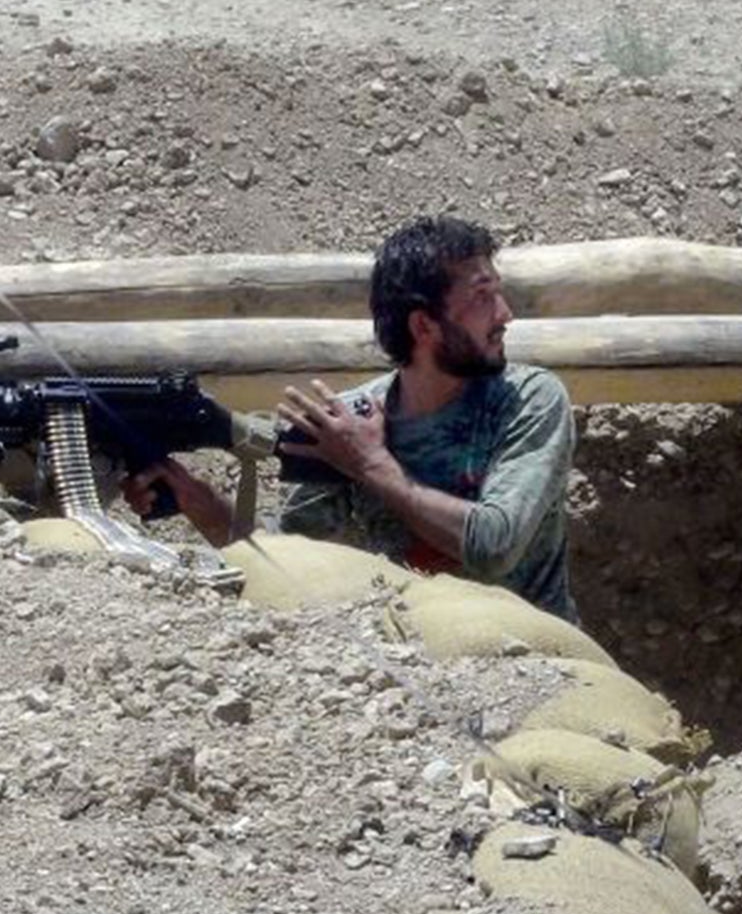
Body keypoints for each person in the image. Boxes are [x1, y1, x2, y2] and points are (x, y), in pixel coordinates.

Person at [123, 215, 579, 622]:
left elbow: (493, 545)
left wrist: (369, 465)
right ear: (424, 326)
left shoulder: (528, 399)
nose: (505, 314)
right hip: (428, 660)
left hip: (540, 655)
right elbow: (289, 557)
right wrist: (197, 501)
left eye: (497, 292)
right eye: (483, 297)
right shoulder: (354, 421)